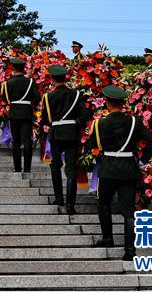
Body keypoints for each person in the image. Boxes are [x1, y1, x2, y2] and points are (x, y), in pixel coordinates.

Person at [89, 85, 152, 261]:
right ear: (123, 103)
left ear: (107, 103)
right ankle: (130, 250)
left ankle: (108, 238)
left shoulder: (99, 124)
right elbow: (151, 141)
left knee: (103, 203)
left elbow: (92, 146)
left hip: (108, 169)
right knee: (128, 211)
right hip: (129, 170)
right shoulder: (134, 122)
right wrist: (142, 161)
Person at [40, 65, 88, 215]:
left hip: (56, 133)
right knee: (71, 168)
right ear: (65, 78)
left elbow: (45, 119)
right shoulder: (76, 94)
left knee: (55, 165)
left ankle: (59, 198)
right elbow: (85, 114)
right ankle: (70, 205)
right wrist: (76, 123)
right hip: (72, 134)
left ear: (52, 79)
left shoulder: (48, 97)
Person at [2, 57, 41, 172]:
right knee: (27, 141)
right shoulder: (30, 82)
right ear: (23, 69)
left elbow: (5, 99)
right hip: (27, 113)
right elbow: (37, 98)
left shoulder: (7, 84)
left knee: (16, 142)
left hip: (14, 113)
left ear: (13, 68)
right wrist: (30, 104)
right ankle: (27, 168)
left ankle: (17, 168)